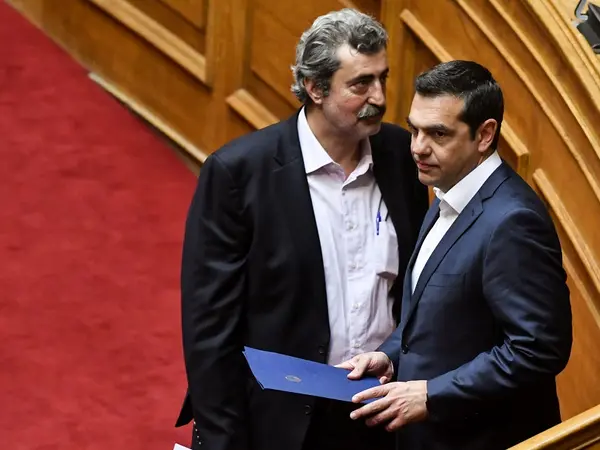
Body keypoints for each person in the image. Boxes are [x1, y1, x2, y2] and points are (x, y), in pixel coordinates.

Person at [175, 8, 429, 450]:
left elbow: (411, 286)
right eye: (360, 84)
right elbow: (209, 328)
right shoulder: (239, 174)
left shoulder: (400, 155)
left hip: (378, 410)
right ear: (314, 87)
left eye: (382, 78)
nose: (379, 97)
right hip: (279, 422)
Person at [339, 60, 573, 450]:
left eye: (438, 134)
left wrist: (432, 395)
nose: (418, 147)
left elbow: (537, 349)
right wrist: (391, 357)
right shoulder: (447, 193)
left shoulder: (513, 221)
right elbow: (433, 319)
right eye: (414, 129)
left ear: (485, 135)